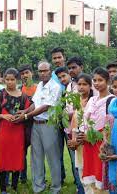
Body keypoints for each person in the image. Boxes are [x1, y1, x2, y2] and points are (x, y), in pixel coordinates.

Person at [15, 61, 62, 194]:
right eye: (40, 71)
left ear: (50, 71)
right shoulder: (40, 85)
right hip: (36, 125)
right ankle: (38, 187)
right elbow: (36, 103)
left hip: (48, 125)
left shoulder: (55, 87)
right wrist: (24, 111)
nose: (42, 73)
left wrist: (26, 116)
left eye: (45, 70)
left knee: (53, 157)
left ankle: (55, 188)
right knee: (36, 158)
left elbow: (45, 106)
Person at [0, 68, 30, 194]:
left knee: (17, 157)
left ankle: (14, 187)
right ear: (4, 79)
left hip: (18, 132)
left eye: (12, 79)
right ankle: (3, 189)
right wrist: (3, 116)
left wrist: (21, 117)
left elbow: (28, 112)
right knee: (3, 158)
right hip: (3, 131)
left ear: (17, 80)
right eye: (7, 79)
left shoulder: (24, 96)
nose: (10, 82)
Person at [83, 67, 113, 193]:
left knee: (102, 173)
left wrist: (97, 136)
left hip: (102, 141)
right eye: (94, 80)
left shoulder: (111, 100)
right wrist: (85, 134)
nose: (96, 83)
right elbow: (85, 118)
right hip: (88, 141)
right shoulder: (92, 99)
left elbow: (109, 124)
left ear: (107, 81)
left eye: (100, 80)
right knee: (90, 176)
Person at [68, 73, 94, 194]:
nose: (81, 87)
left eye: (85, 84)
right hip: (78, 143)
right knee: (81, 172)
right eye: (79, 84)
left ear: (90, 86)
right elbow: (74, 121)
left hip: (89, 142)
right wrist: (73, 139)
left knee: (91, 176)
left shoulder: (93, 102)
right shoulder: (77, 100)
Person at [18, 64, 37, 183]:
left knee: (37, 152)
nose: (25, 75)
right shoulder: (19, 89)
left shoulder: (38, 88)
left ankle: (38, 177)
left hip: (36, 124)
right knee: (22, 151)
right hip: (22, 125)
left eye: (27, 73)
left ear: (32, 73)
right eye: (22, 73)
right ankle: (23, 176)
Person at [51, 47, 67, 185]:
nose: (57, 60)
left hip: (71, 117)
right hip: (56, 118)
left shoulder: (71, 72)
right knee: (57, 150)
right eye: (54, 58)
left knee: (75, 151)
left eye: (59, 57)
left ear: (64, 57)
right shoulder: (50, 76)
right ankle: (60, 177)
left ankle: (79, 179)